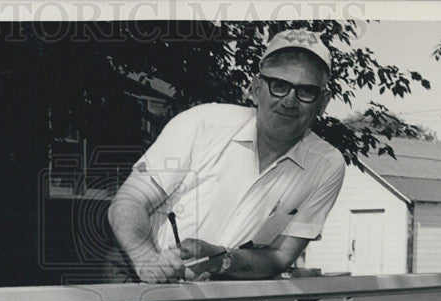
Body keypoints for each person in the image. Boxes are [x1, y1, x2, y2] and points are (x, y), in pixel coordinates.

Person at [106, 29, 346, 283]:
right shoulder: (202, 123)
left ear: (323, 102)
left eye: (306, 91)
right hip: (135, 276)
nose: (289, 101)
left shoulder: (327, 165)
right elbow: (130, 200)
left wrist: (222, 259)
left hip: (226, 298)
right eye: (279, 85)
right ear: (255, 89)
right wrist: (146, 259)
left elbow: (279, 257)